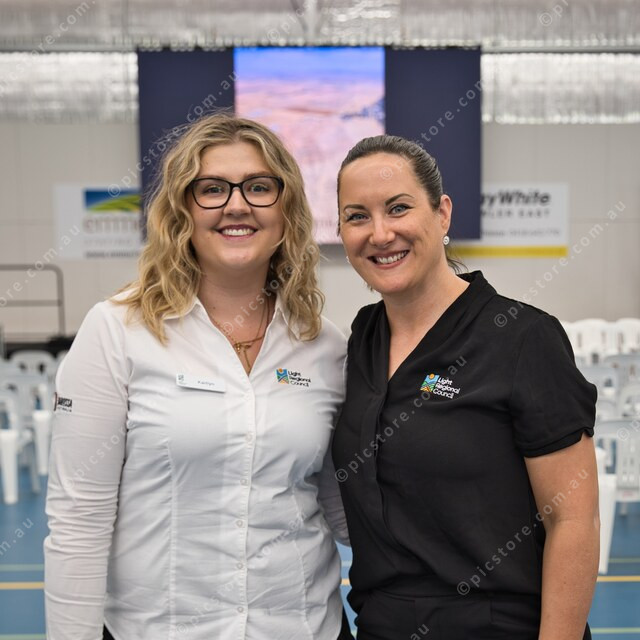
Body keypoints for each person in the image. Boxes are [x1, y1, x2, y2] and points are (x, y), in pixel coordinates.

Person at [44, 114, 352, 639]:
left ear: (287, 210)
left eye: (259, 187)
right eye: (211, 189)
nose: (237, 205)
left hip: (302, 625)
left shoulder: (324, 346)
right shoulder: (118, 331)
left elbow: (339, 505)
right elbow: (79, 519)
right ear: (182, 210)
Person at [333, 134, 599, 640]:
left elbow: (573, 520)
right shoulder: (363, 337)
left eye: (398, 208)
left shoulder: (522, 338)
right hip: (382, 625)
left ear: (442, 214)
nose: (380, 233)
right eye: (357, 216)